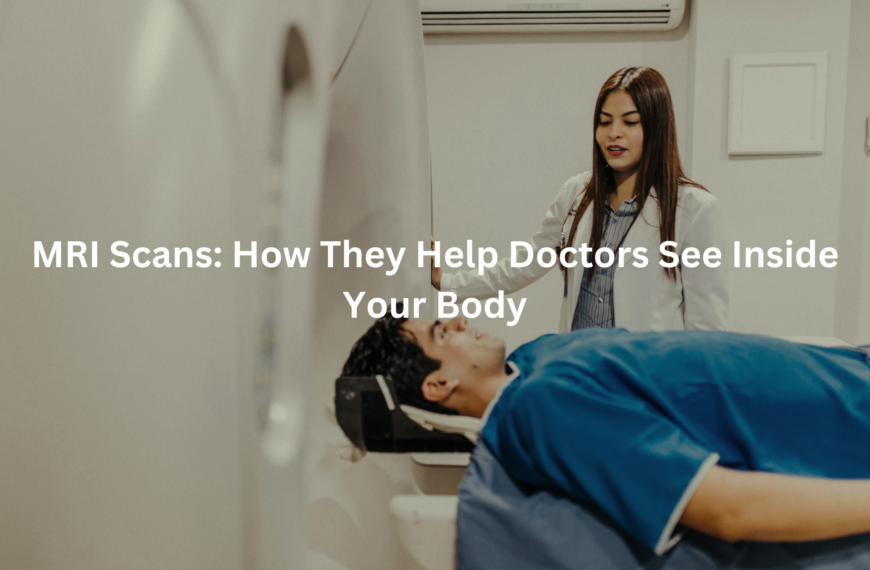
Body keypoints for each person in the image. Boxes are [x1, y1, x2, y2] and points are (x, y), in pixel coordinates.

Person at [342, 314, 870, 555]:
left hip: (849, 378)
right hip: (849, 430)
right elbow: (727, 510)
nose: (458, 318)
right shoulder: (540, 409)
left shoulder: (534, 358)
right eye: (442, 333)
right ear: (439, 383)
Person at [432, 67, 728, 333]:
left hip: (644, 379)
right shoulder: (577, 192)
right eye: (604, 121)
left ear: (657, 127)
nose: (614, 133)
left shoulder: (694, 210)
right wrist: (447, 282)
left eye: (630, 122)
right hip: (579, 370)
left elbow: (707, 327)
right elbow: (526, 263)